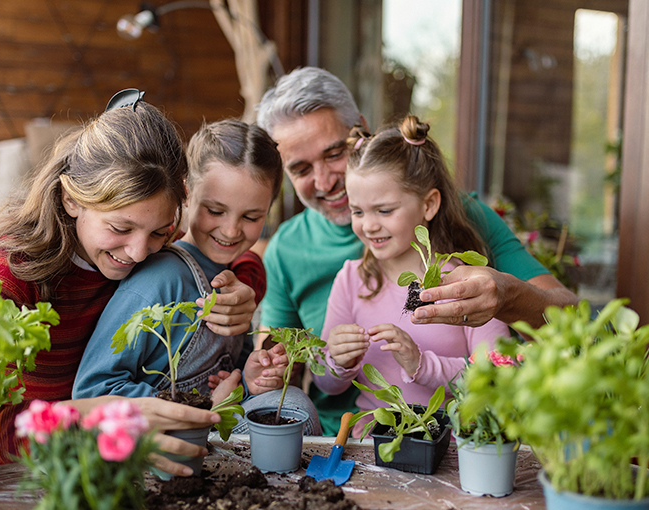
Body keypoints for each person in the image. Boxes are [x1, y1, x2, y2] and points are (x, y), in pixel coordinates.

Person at [255, 67, 578, 435]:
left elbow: (572, 328)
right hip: (350, 436)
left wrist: (509, 295)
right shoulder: (294, 251)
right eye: (301, 169)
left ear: (360, 132)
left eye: (333, 154)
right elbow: (287, 365)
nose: (327, 181)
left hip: (450, 432)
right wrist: (272, 365)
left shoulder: (462, 221)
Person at [0, 90, 258, 476]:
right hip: (23, 475)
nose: (137, 253)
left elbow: (226, 248)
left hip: (111, 464)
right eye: (120, 227)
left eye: (159, 233)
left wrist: (246, 286)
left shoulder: (144, 245)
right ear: (71, 200)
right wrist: (105, 419)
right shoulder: (8, 275)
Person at [73, 119, 321, 436]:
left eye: (251, 216)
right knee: (296, 414)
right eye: (216, 211)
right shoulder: (162, 277)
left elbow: (226, 375)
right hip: (158, 438)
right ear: (187, 192)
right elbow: (93, 389)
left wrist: (248, 377)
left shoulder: (232, 281)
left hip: (208, 421)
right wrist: (197, 408)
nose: (231, 230)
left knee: (292, 406)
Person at [313, 117, 511, 437]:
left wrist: (422, 364)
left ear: (429, 204)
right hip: (374, 441)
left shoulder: (467, 281)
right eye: (358, 211)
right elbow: (327, 384)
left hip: (451, 438)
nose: (369, 225)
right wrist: (336, 360)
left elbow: (497, 372)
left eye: (385, 210)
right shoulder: (351, 279)